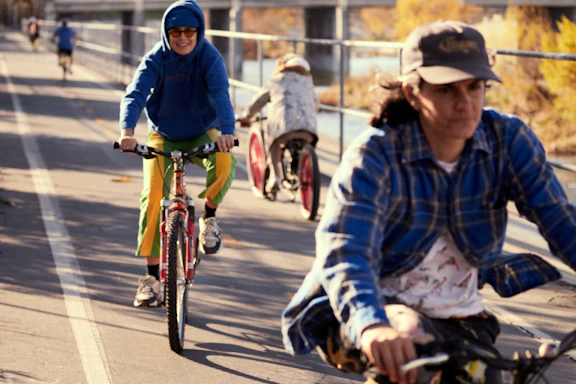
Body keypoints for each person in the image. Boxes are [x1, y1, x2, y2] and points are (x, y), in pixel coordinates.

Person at [281, 20, 576, 384]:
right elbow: (347, 250)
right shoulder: (375, 155)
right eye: (447, 89)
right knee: (407, 346)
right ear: (412, 91)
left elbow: (561, 220)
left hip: (461, 317)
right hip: (371, 309)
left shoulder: (507, 139)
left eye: (475, 87)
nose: (465, 102)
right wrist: (372, 324)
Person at [118, 0, 237, 308]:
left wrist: (227, 132)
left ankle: (209, 216)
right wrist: (127, 132)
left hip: (202, 130)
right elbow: (135, 93)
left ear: (199, 31)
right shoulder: (156, 58)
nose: (182, 37)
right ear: (166, 33)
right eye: (175, 32)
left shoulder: (210, 57)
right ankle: (151, 279)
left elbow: (222, 94)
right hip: (164, 135)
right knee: (152, 198)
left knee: (225, 161)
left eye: (189, 31)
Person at [238, 53, 319, 197]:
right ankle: (300, 170)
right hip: (309, 129)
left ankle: (275, 176)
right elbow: (316, 104)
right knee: (303, 144)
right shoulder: (308, 82)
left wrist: (246, 117)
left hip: (284, 128)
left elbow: (258, 102)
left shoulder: (275, 80)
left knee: (274, 142)